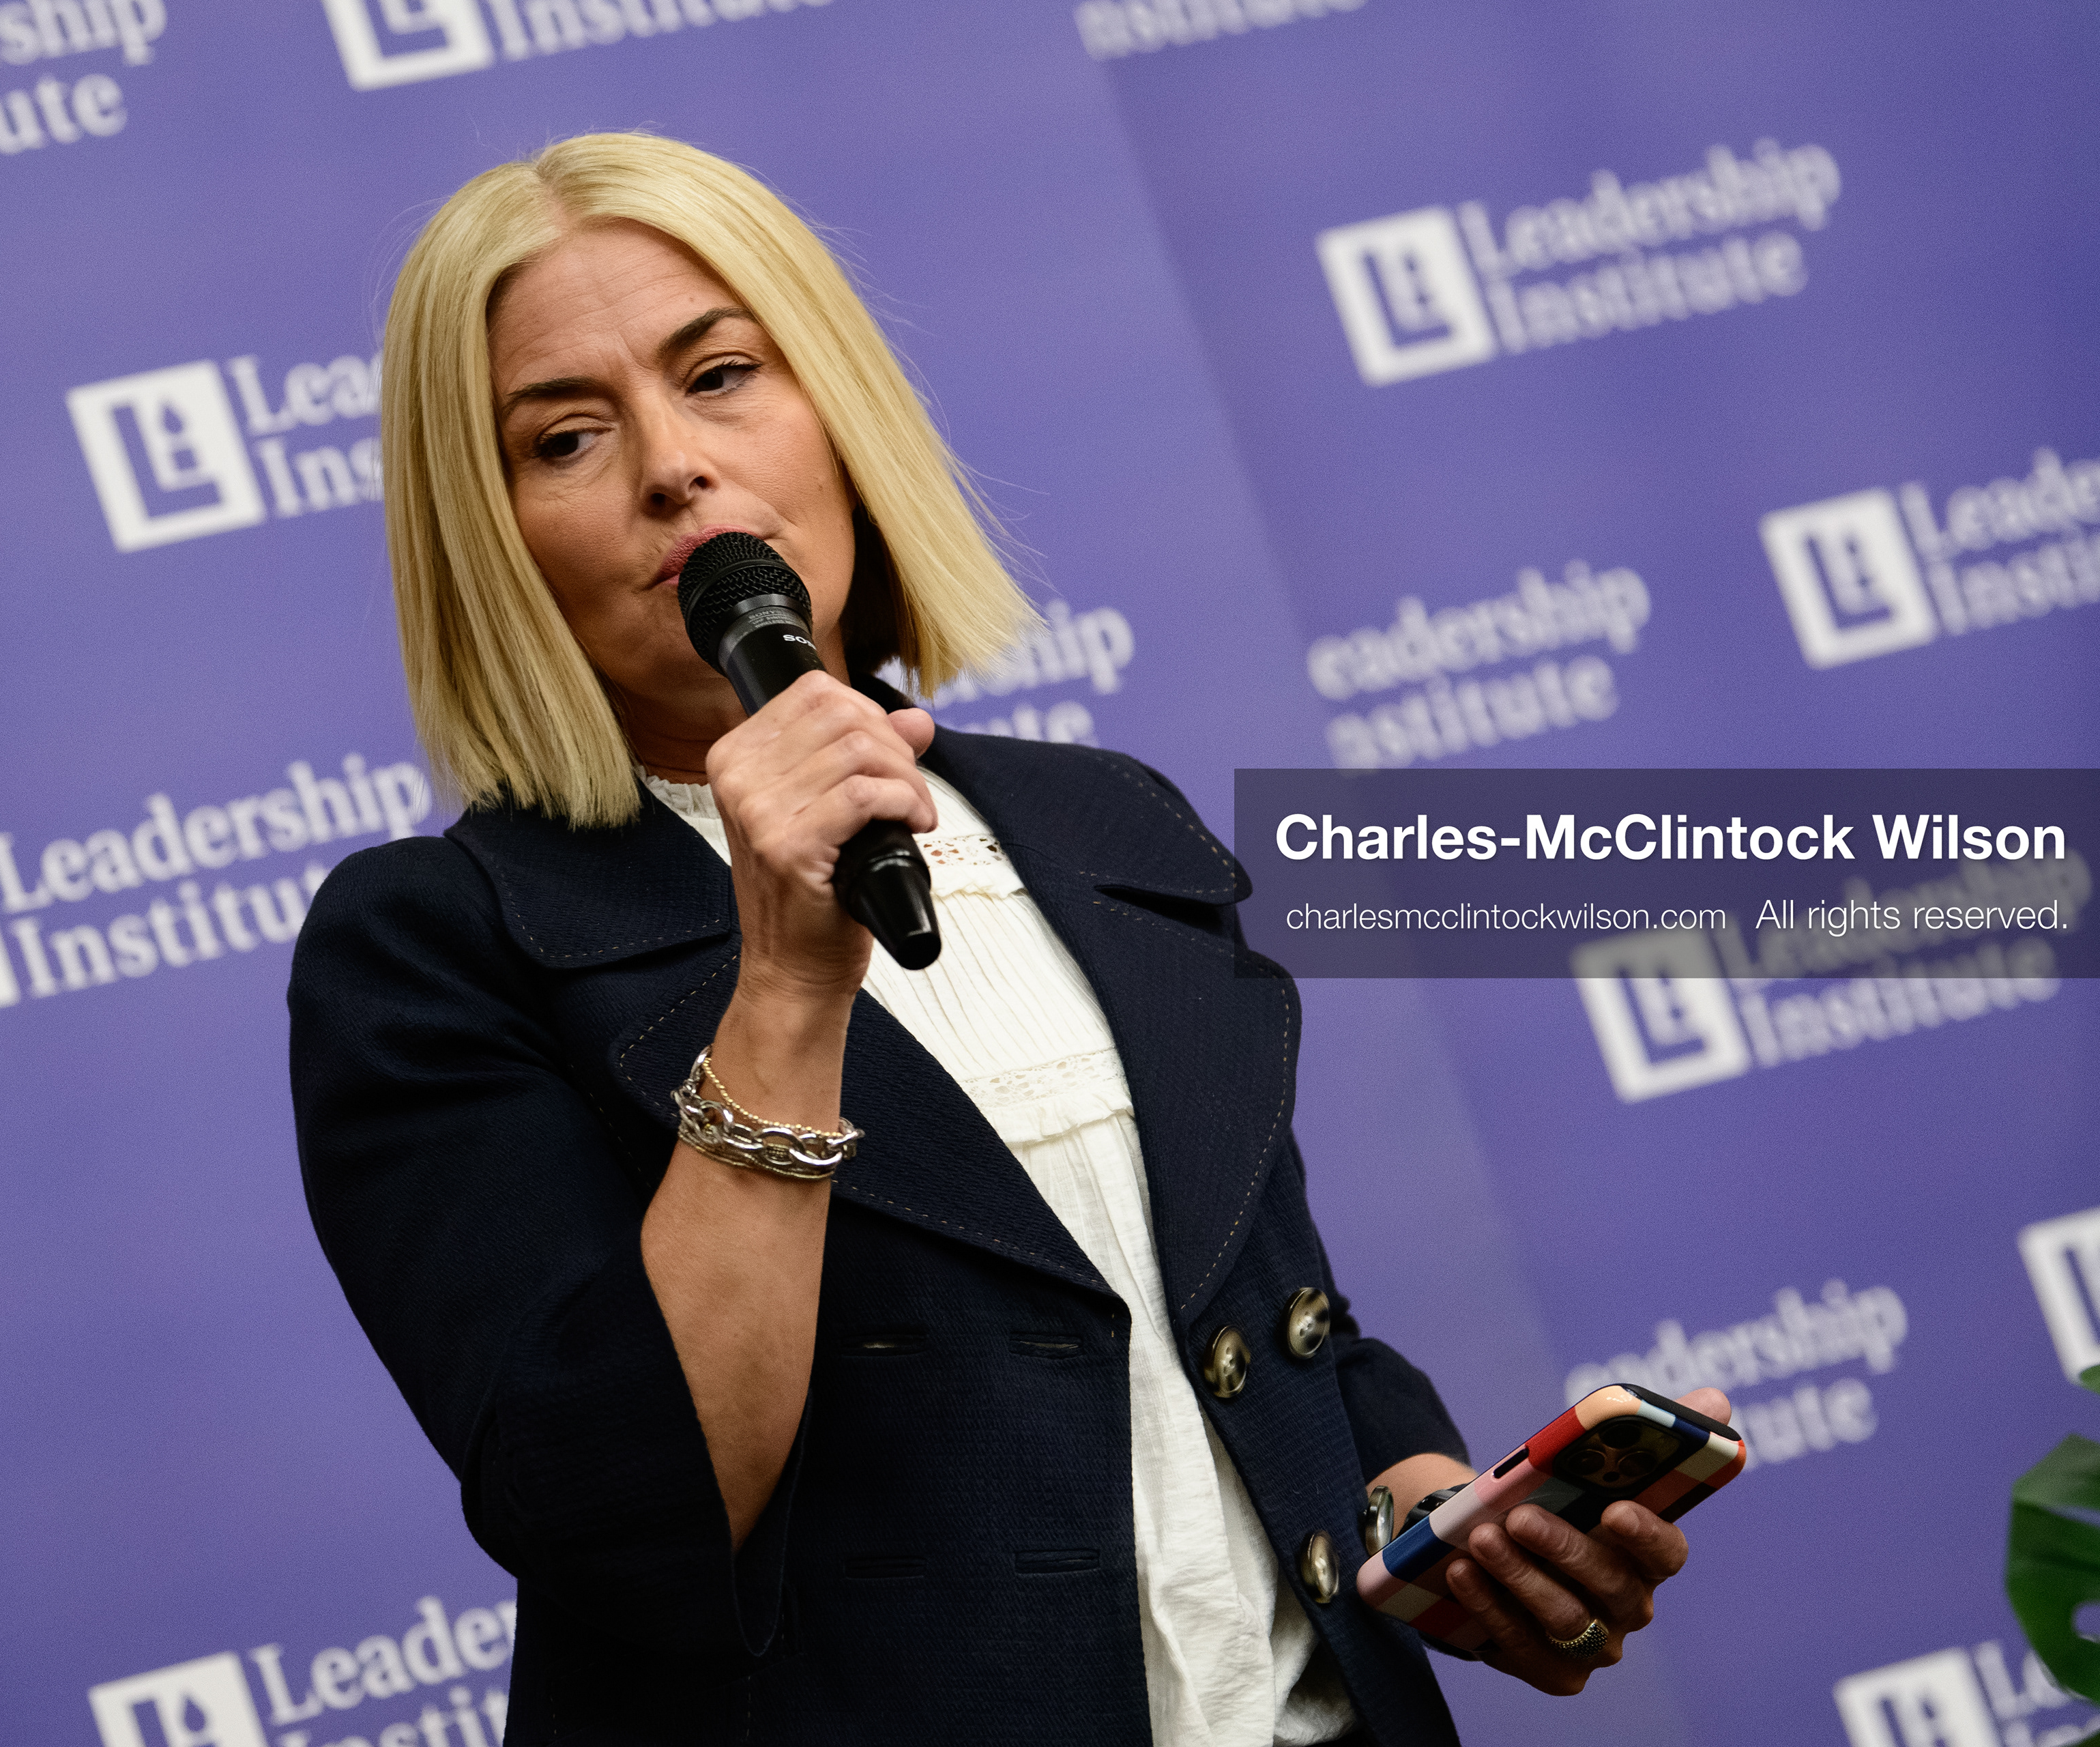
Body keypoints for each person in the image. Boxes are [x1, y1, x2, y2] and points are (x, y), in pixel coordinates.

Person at [289, 132, 1723, 1746]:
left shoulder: (1105, 822)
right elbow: (626, 1515)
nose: (674, 467)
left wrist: (1433, 1514)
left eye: (722, 374)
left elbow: (1241, 1320)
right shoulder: (431, 947)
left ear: (836, 405)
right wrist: (782, 983)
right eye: (565, 435)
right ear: (491, 538)